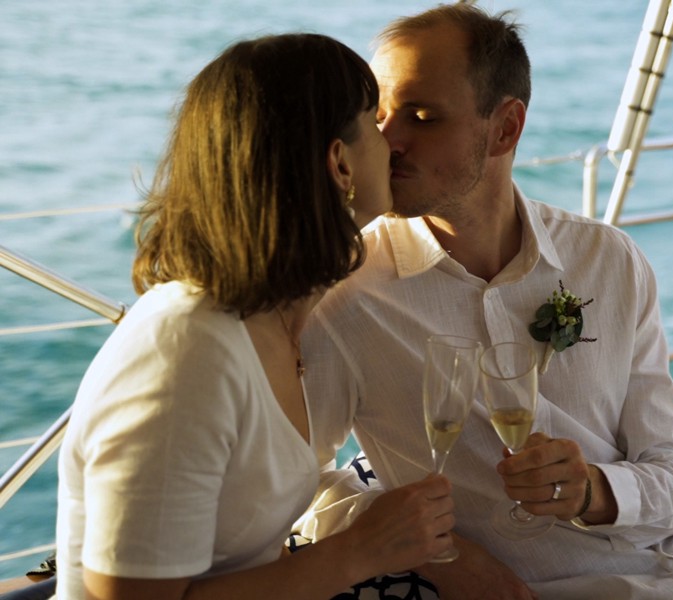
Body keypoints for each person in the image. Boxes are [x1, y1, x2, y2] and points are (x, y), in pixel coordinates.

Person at [294, 5, 673, 600]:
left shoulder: (610, 261)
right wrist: (442, 555)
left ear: (506, 129)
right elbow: (297, 486)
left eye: (422, 117)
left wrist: (593, 490)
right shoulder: (344, 296)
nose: (389, 143)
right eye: (380, 116)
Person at [51, 33, 454, 600]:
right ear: (339, 162)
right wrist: (357, 552)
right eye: (374, 120)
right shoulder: (187, 352)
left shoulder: (278, 320)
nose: (393, 143)